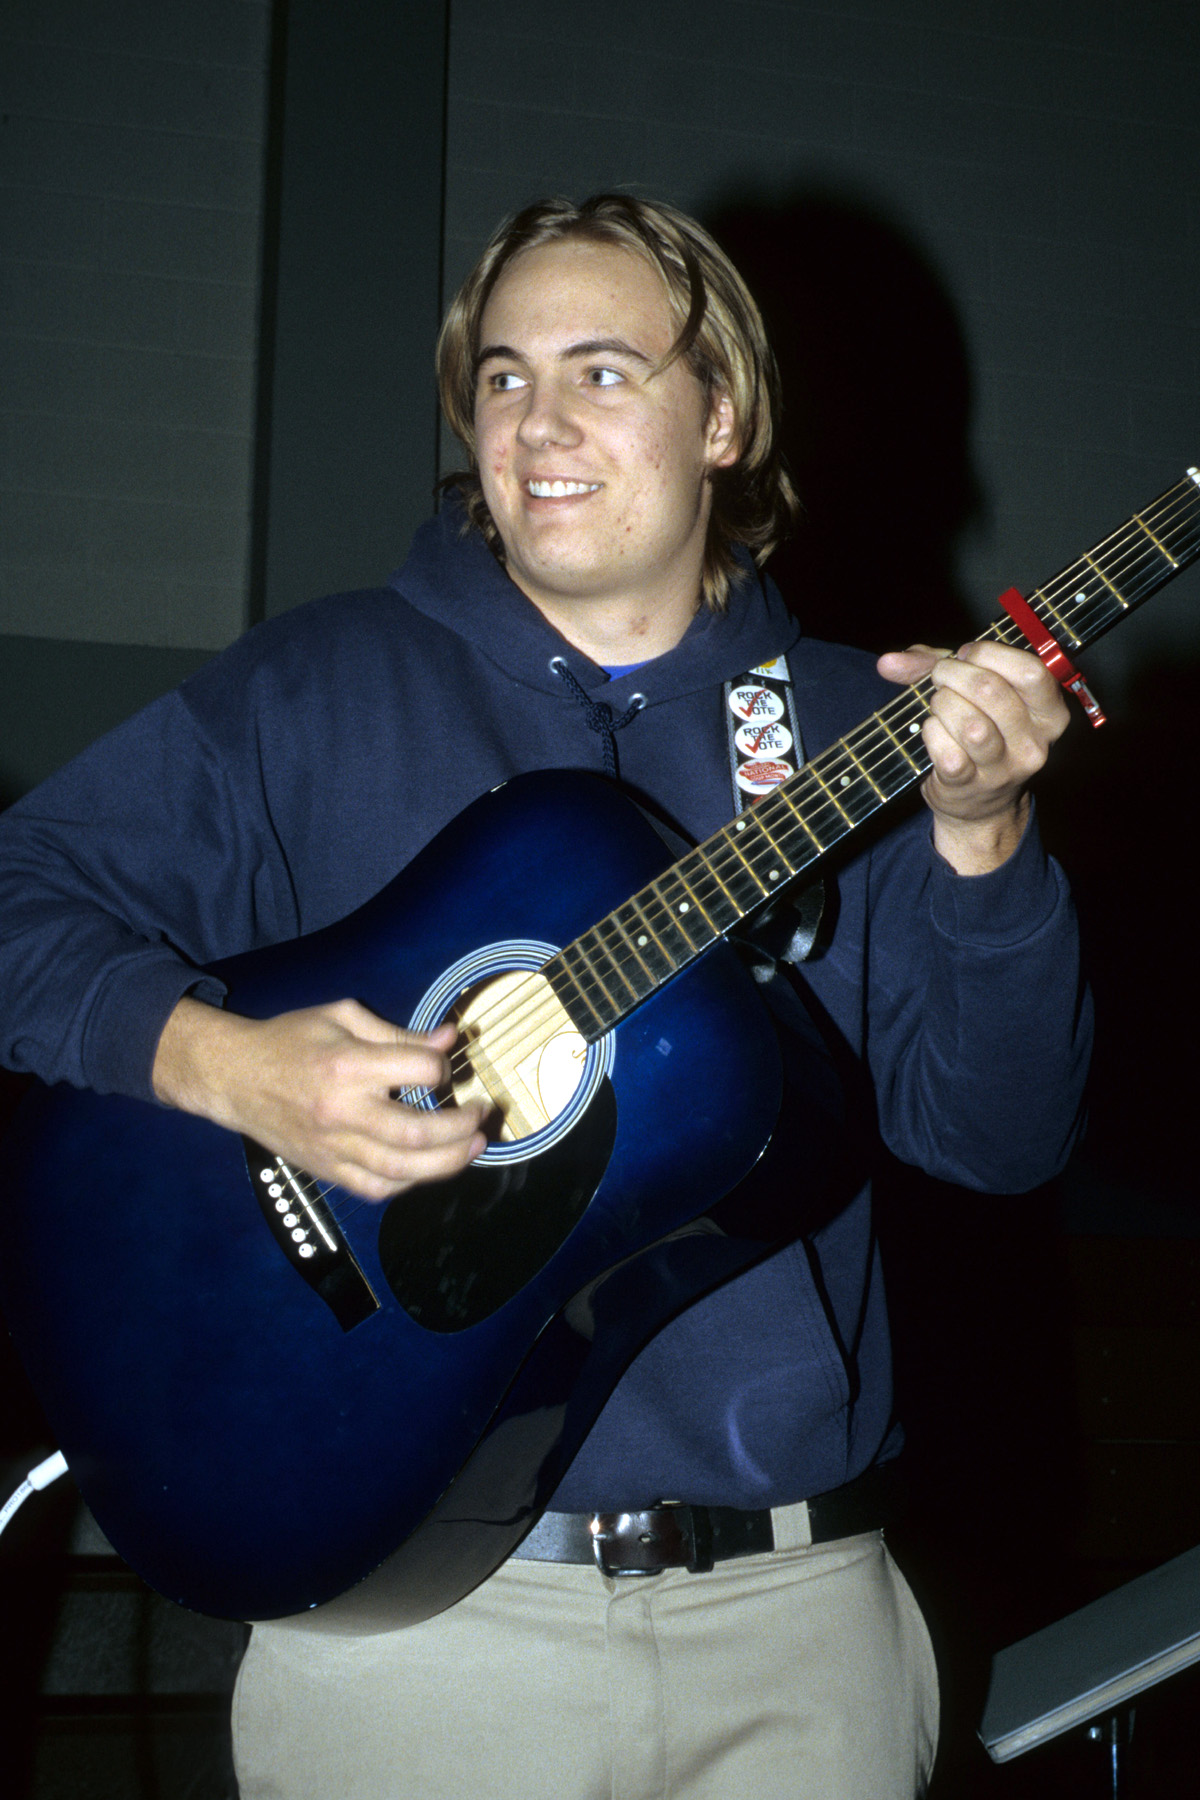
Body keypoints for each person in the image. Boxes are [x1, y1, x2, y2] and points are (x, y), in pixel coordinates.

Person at [0, 195, 1090, 1799]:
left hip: (799, 1627)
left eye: (602, 371)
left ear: (723, 418)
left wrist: (985, 840)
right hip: (416, 1637)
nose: (538, 424)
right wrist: (227, 1065)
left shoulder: (865, 730)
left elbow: (996, 1140)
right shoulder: (317, 687)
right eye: (503, 378)